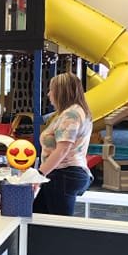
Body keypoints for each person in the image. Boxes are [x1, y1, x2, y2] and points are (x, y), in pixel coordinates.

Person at [33, 72, 93, 216]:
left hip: (64, 173)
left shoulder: (71, 114)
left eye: (51, 90)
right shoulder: (75, 112)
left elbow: (62, 149)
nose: (49, 94)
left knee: (58, 224)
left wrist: (39, 174)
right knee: (37, 216)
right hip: (62, 173)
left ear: (61, 92)